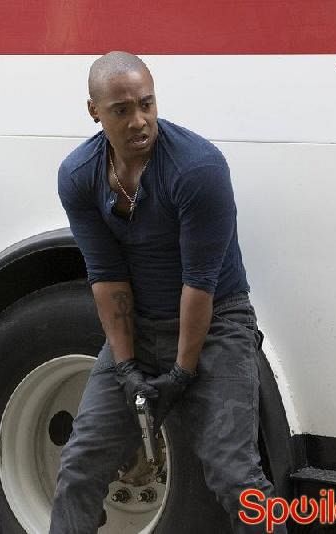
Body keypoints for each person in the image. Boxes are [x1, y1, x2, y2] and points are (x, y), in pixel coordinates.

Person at [49, 51, 284, 534]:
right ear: (94, 111)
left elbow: (200, 283)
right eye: (121, 110)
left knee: (235, 475)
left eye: (146, 104)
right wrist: (126, 367)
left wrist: (180, 373)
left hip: (216, 323)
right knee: (79, 466)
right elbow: (106, 277)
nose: (139, 121)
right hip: (139, 325)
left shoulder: (198, 168)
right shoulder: (79, 175)